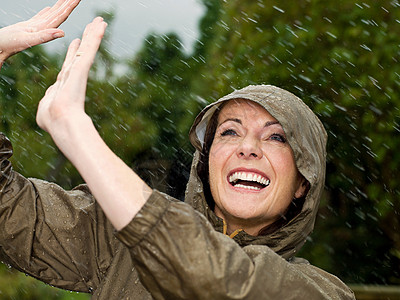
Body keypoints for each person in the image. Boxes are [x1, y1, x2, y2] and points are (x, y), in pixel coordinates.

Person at [0, 1, 356, 299]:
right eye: (230, 132)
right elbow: (7, 211)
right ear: (205, 162)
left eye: (276, 137)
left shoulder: (320, 292)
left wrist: (76, 132)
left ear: (302, 182)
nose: (248, 147)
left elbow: (214, 280)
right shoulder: (114, 240)